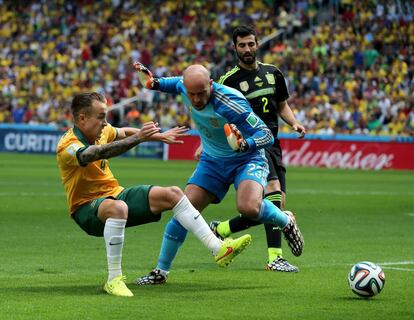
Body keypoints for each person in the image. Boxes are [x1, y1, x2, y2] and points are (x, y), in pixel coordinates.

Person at [56, 92, 253, 297]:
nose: (105, 122)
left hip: (114, 194)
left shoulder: (102, 130)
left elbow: (121, 132)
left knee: (173, 194)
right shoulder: (68, 146)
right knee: (118, 207)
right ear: (81, 118)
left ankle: (218, 249)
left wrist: (154, 135)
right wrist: (139, 138)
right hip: (85, 209)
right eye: (100, 116)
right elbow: (96, 153)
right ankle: (113, 280)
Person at [133, 62, 304, 285]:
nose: (195, 99)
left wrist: (245, 145)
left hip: (247, 159)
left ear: (211, 84)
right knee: (183, 212)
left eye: (201, 93)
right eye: (191, 94)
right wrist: (152, 82)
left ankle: (285, 220)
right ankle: (160, 272)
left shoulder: (231, 103)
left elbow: (266, 135)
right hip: (212, 161)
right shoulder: (184, 87)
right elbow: (170, 83)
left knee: (248, 207)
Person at [212, 25, 306, 272]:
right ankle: (275, 258)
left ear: (257, 44)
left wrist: (294, 121)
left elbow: (282, 105)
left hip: (274, 143)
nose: (247, 49)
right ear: (234, 48)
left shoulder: (274, 73)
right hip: (252, 146)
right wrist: (209, 142)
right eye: (242, 45)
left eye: (251, 44)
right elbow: (216, 116)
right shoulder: (228, 81)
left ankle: (223, 229)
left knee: (274, 206)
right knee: (273, 194)